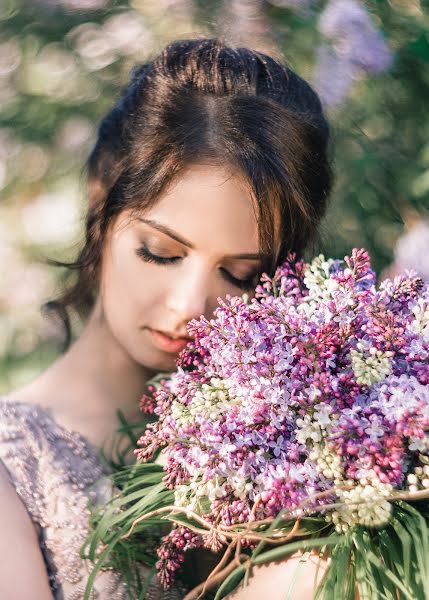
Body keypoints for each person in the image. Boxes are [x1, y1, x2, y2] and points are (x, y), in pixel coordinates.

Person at [0, 38, 332, 599]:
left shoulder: (302, 459)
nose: (188, 308)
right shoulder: (15, 467)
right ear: (101, 199)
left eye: (242, 274)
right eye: (161, 251)